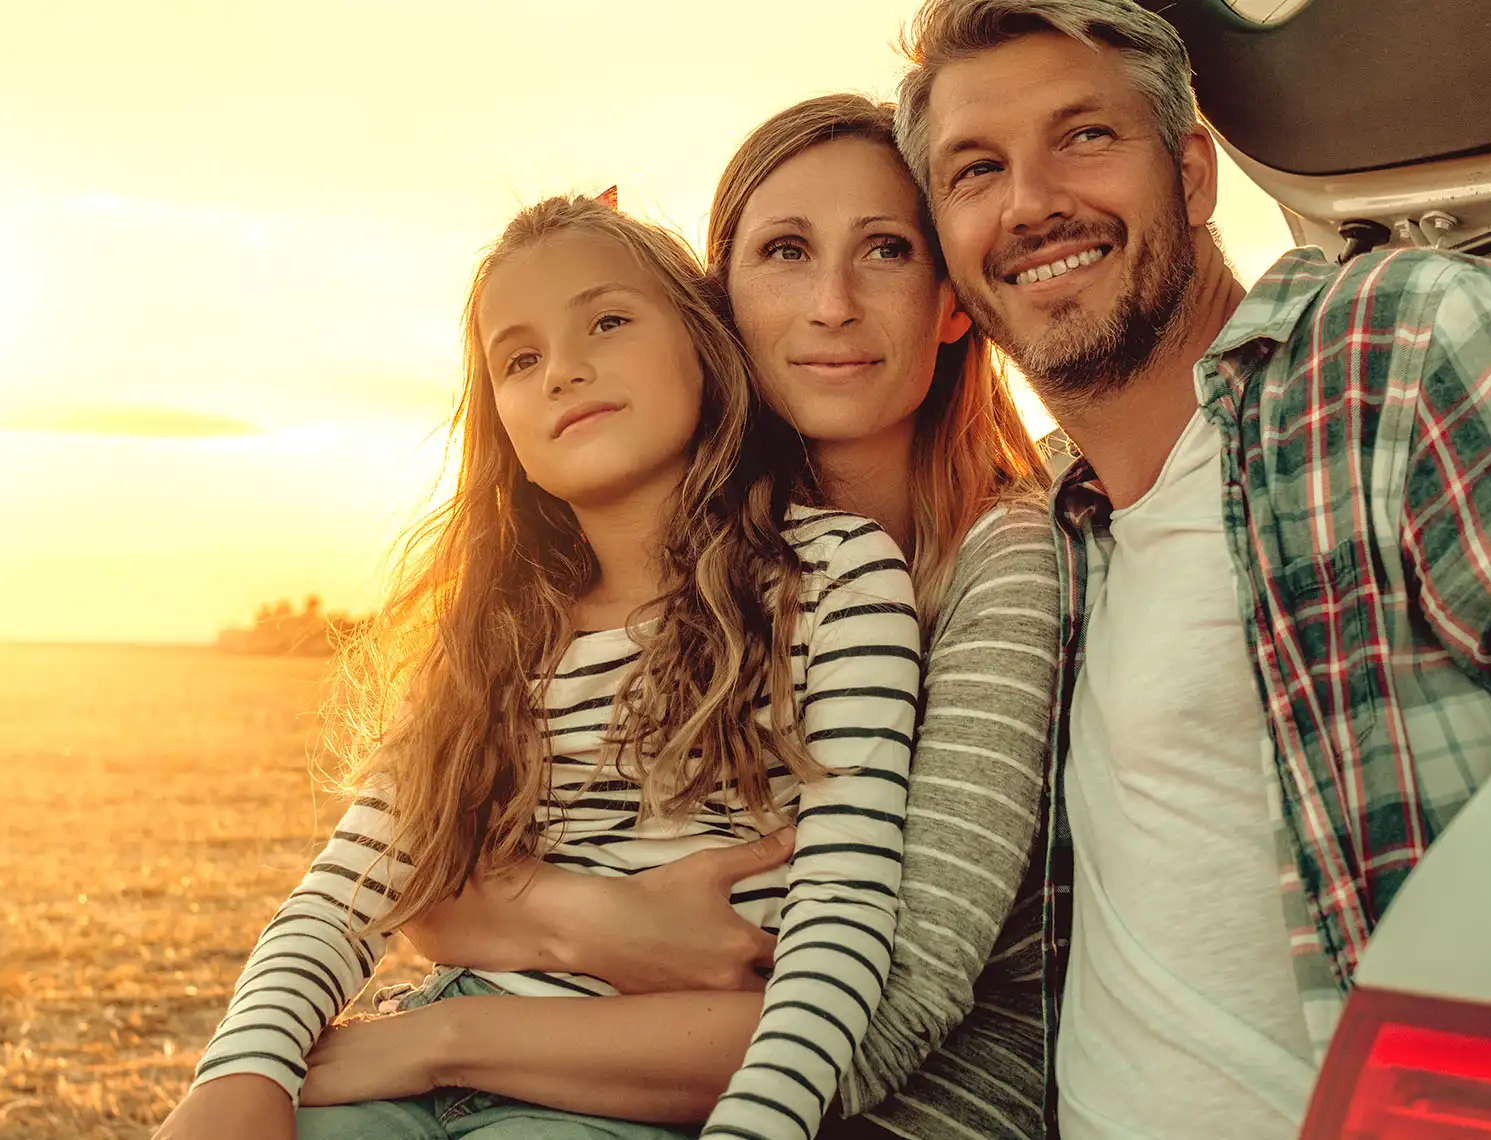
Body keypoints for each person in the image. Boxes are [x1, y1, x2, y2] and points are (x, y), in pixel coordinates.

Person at [889, 0, 1491, 1134]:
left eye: (1085, 137)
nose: (1031, 204)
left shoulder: (1407, 344)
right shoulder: (1043, 539)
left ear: (1189, 175)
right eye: (975, 170)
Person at [302, 96, 1065, 1140]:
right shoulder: (667, 572)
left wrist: (441, 1039)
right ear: (718, 306)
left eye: (885, 250)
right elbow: (425, 882)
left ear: (951, 299)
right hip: (607, 1070)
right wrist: (590, 922)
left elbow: (881, 1013)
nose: (833, 303)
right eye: (786, 252)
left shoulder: (995, 561)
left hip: (896, 1104)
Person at [155, 193, 924, 1140]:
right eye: (520, 359)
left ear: (703, 346)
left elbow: (843, 922)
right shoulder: (493, 635)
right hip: (415, 1067)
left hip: (622, 1096)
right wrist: (243, 1068)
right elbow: (351, 886)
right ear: (502, 427)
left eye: (606, 320)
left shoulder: (829, 576)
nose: (565, 370)